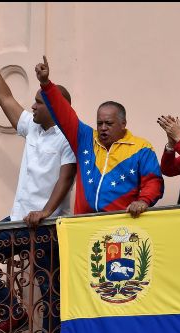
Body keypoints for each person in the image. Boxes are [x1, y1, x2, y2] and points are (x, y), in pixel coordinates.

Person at [0, 38, 77, 333]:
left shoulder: (68, 137)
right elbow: (4, 97)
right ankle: (12, 310)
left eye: (39, 101)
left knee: (49, 288)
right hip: (19, 221)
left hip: (49, 227)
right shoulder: (34, 128)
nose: (33, 106)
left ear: (54, 106)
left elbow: (65, 180)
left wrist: (46, 212)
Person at [35, 57, 163, 217]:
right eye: (99, 123)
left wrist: (143, 201)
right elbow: (64, 115)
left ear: (123, 123)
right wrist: (46, 84)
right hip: (84, 223)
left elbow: (153, 181)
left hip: (121, 225)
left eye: (109, 123)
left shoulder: (141, 148)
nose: (103, 128)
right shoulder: (86, 139)